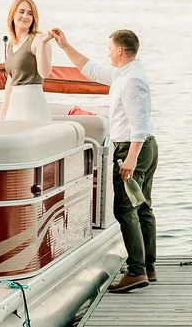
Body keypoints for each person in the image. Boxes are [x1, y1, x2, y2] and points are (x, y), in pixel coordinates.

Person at [49, 25, 157, 293]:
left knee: (125, 208)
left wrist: (130, 160)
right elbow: (92, 69)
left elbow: (139, 124)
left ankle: (136, 271)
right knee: (142, 206)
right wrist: (65, 46)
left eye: (110, 49)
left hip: (133, 149)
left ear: (120, 50)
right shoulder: (124, 74)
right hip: (141, 148)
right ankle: (147, 266)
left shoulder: (132, 81)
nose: (107, 53)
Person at [0, 0, 53, 123]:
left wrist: (43, 44)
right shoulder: (11, 44)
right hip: (14, 105)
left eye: (30, 14)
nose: (25, 16)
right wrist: (1, 117)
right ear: (13, 14)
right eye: (21, 11)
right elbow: (10, 84)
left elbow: (45, 73)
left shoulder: (39, 39)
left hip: (33, 103)